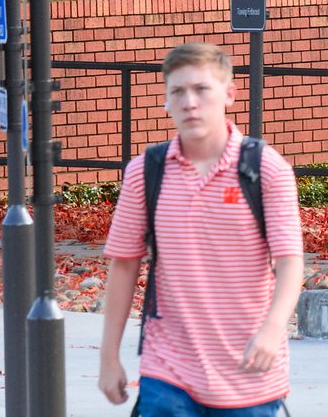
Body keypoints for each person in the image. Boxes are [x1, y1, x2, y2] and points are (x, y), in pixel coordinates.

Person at [99, 43, 305, 415]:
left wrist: (274, 328)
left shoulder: (267, 169)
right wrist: (108, 357)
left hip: (249, 371)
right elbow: (124, 265)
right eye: (177, 91)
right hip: (168, 369)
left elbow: (290, 261)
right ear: (165, 101)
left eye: (201, 89)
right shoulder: (145, 172)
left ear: (228, 94)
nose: (189, 102)